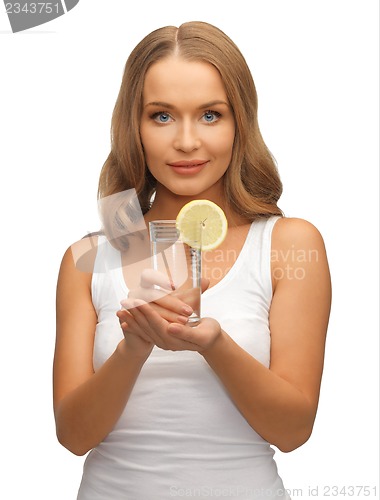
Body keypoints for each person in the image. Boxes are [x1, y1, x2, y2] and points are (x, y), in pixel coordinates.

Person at [53, 21, 332, 499]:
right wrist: (135, 346)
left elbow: (292, 432)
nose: (185, 141)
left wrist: (213, 345)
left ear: (239, 122)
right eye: (161, 116)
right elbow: (74, 437)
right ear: (134, 126)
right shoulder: (93, 255)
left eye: (210, 115)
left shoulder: (286, 244)